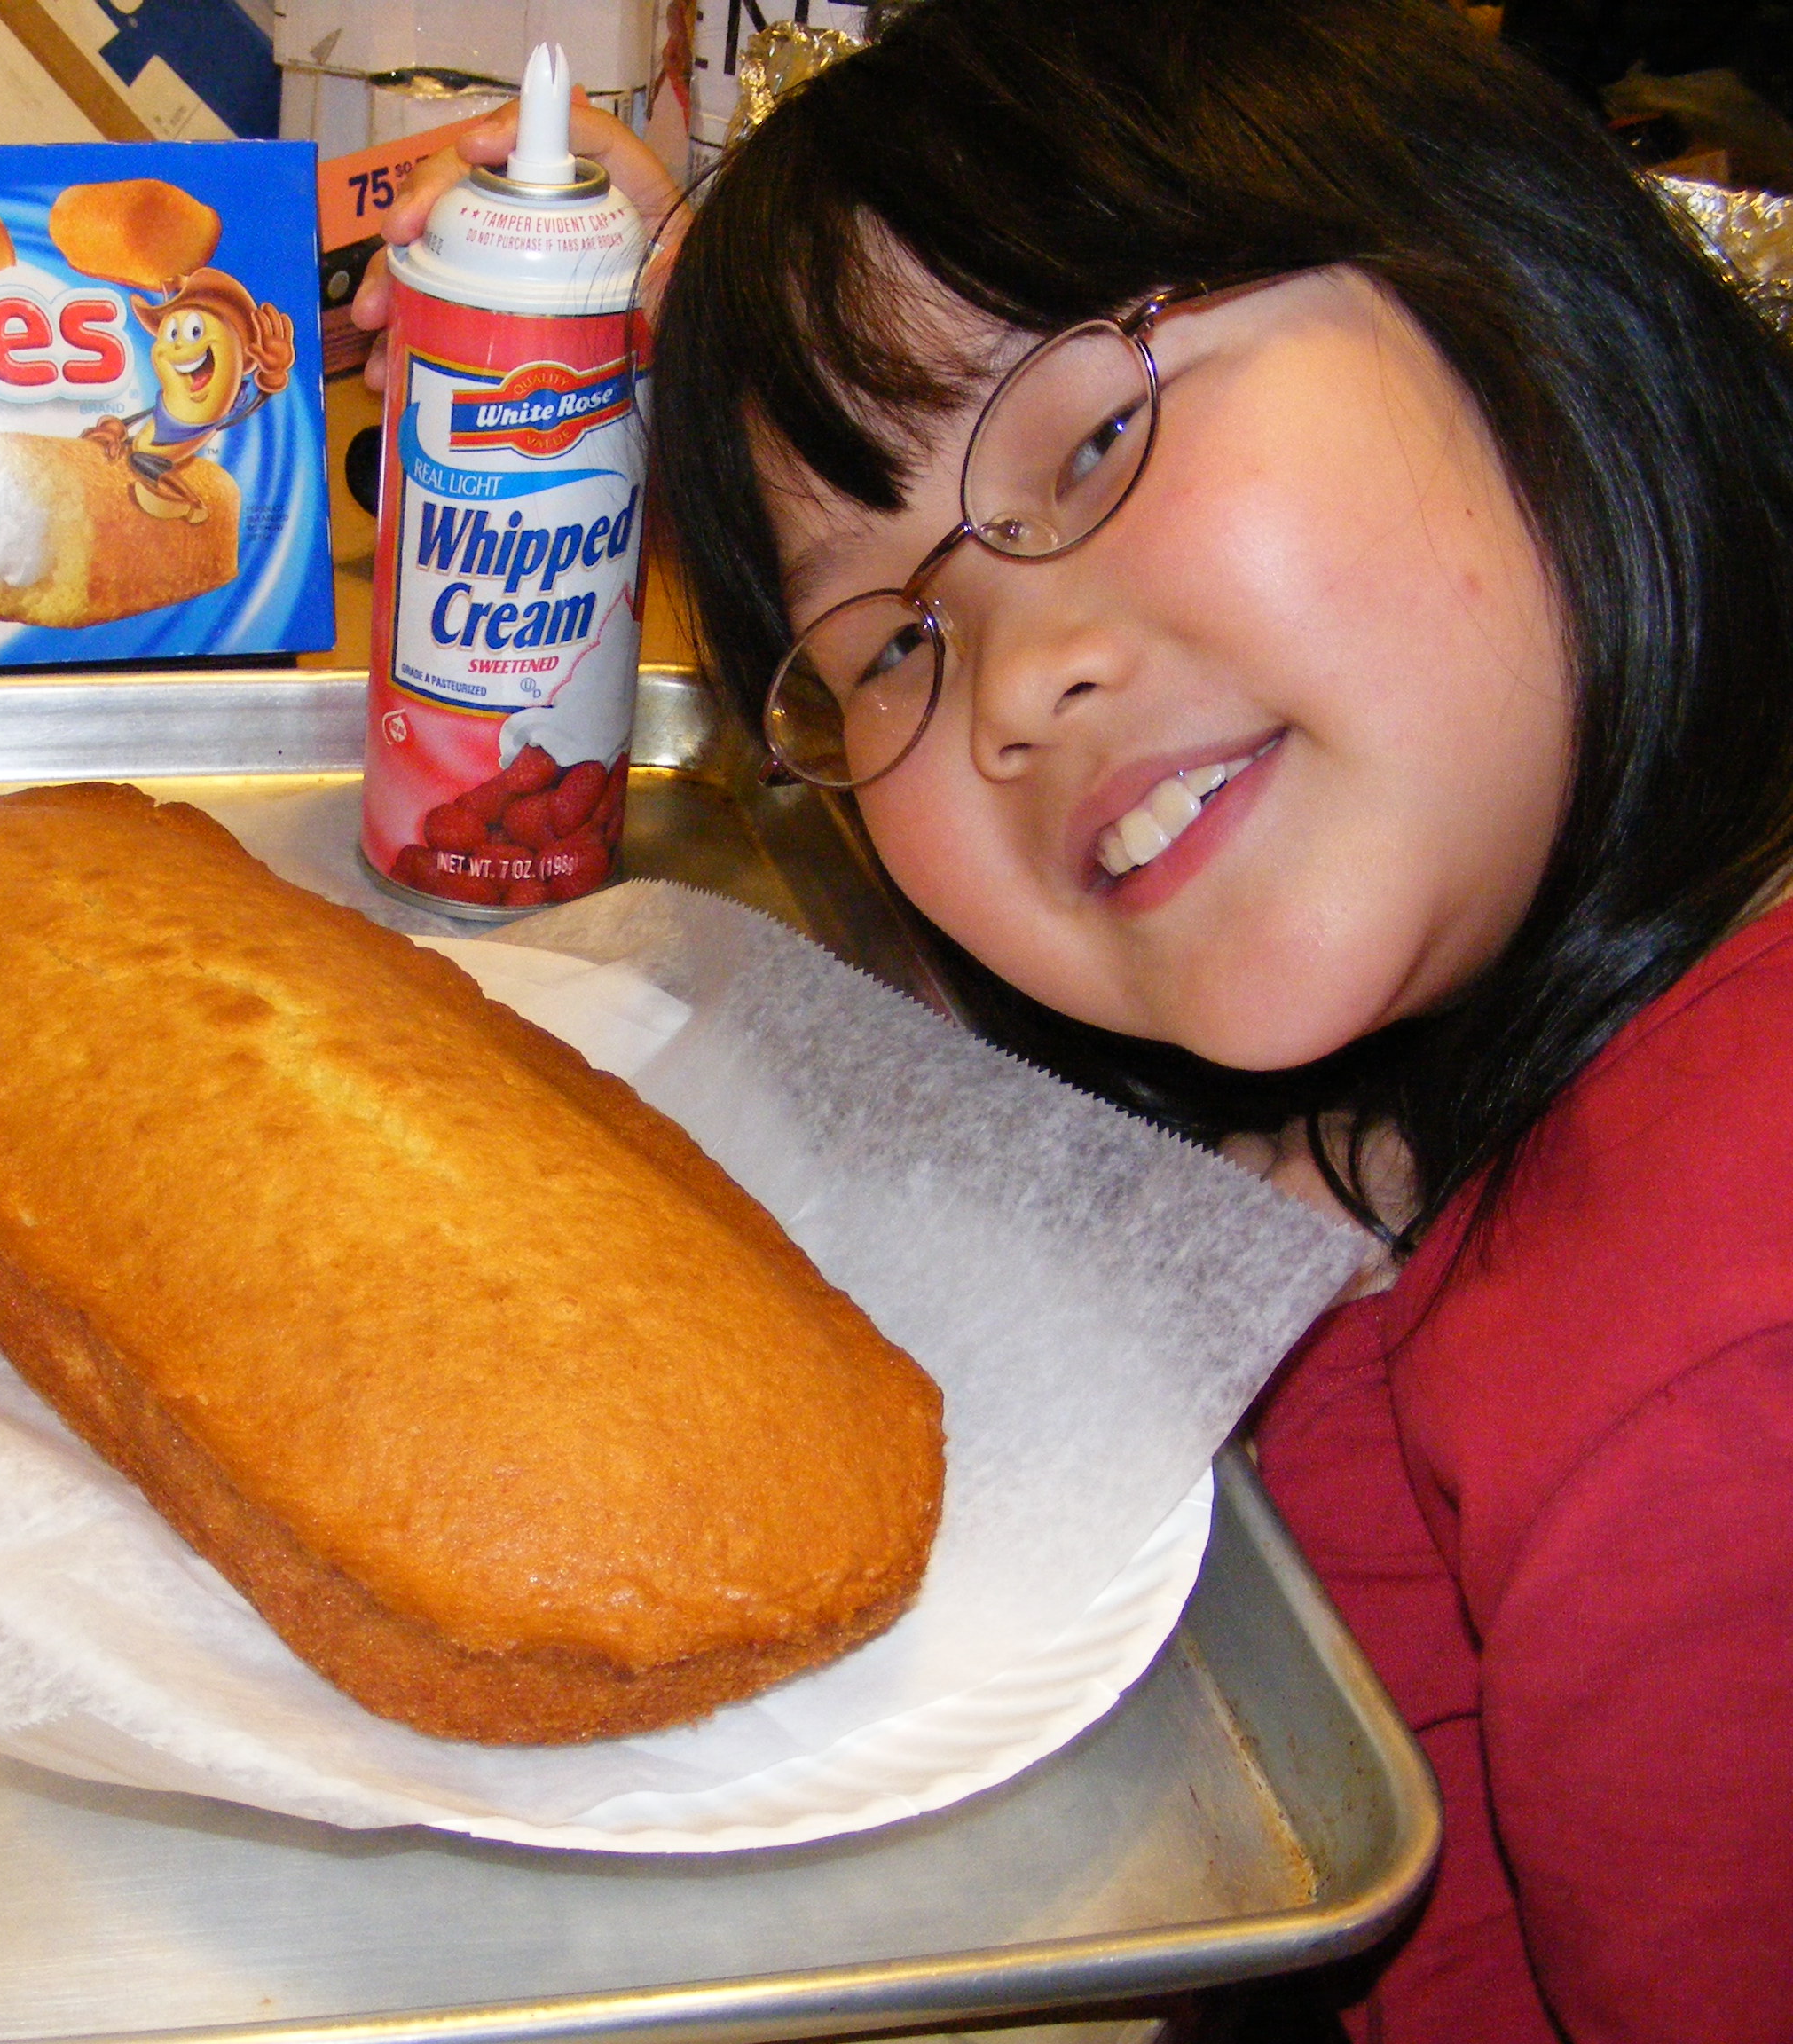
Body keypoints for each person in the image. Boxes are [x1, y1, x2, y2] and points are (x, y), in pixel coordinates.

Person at [354, 4, 1793, 2037]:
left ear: (1518, 291)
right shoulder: (1528, 1057)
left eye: (1097, 439)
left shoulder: (1726, 1381)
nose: (1013, 686)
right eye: (893, 645)